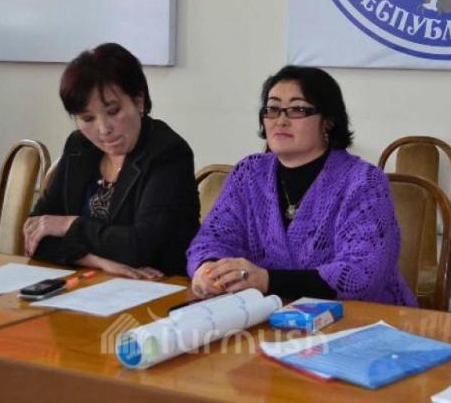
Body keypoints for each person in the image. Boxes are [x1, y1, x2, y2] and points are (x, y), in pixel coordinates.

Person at [187, 65, 416, 306]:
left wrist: (267, 280)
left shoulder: (363, 181)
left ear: (328, 121)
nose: (281, 120)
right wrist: (207, 269)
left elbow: (361, 275)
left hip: (362, 317)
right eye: (272, 109)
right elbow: (210, 240)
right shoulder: (249, 173)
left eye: (297, 109)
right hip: (267, 313)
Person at [25, 43, 200, 278]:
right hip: (92, 283)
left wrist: (68, 225)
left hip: (159, 287)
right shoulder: (79, 147)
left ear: (139, 101)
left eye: (113, 111)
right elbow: (35, 233)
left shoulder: (168, 153)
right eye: (88, 118)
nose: (104, 129)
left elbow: (138, 246)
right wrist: (97, 261)